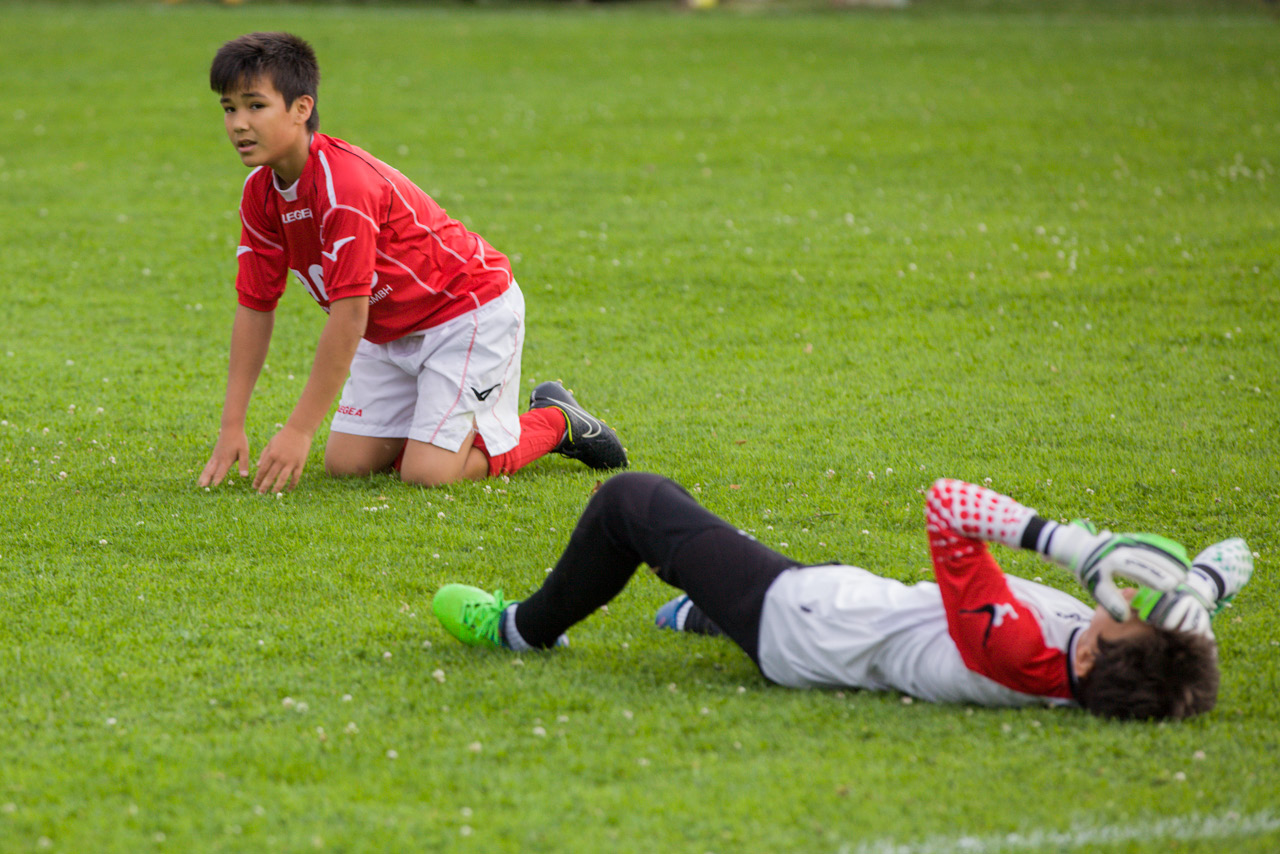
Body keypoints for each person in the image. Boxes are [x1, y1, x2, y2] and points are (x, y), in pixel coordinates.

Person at [432, 473, 1253, 720]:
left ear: (1091, 653)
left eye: (1129, 619)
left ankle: (523, 630)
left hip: (797, 624)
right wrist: (1204, 584)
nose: (1131, 605)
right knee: (725, 558)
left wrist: (1071, 544)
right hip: (847, 604)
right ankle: (707, 611)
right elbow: (1180, 643)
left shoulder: (1010, 648)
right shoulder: (1127, 670)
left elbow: (948, 505)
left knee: (634, 504)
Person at [197, 32, 626, 494]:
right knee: (347, 465)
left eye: (255, 106)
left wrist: (299, 431)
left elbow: (349, 316)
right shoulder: (259, 194)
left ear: (302, 108)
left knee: (428, 474)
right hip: (389, 331)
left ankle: (556, 422)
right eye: (229, 109)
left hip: (465, 313)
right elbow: (255, 306)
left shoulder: (346, 188)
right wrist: (231, 426)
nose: (239, 124)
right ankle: (435, 428)